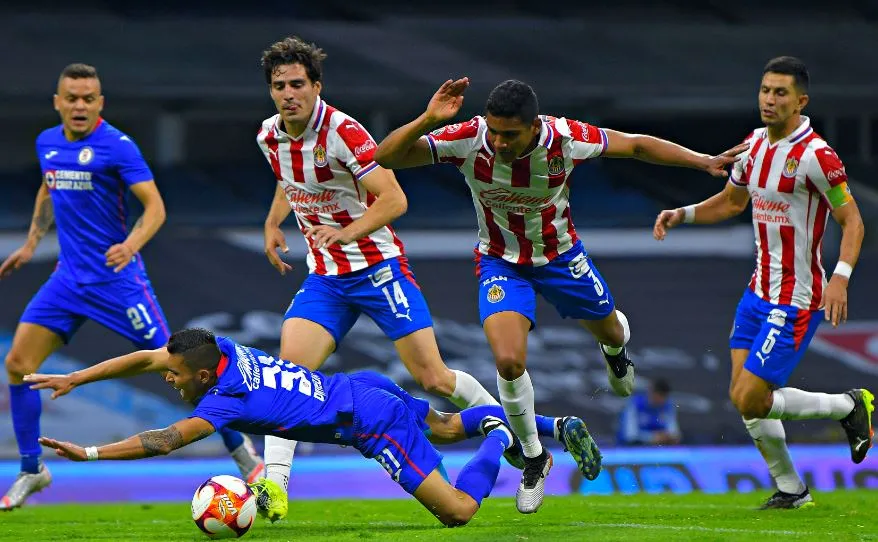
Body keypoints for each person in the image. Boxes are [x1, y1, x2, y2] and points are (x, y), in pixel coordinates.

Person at [373, 77, 746, 513]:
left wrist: (702, 162)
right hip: (500, 261)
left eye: (509, 134)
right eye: (494, 131)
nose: (498, 141)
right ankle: (534, 459)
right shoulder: (469, 138)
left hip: (562, 258)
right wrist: (427, 120)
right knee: (509, 360)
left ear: (534, 127)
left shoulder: (565, 138)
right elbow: (386, 157)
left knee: (610, 326)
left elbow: (637, 145)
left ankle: (615, 348)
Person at [0, 64, 263, 510]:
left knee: (179, 364)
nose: (80, 105)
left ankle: (243, 453)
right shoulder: (48, 143)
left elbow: (155, 207)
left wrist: (130, 244)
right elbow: (48, 192)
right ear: (58, 102)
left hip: (118, 282)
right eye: (72, 97)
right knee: (18, 365)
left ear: (100, 103)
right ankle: (32, 470)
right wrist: (30, 244)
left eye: (88, 98)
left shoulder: (117, 146)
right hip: (67, 280)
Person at [253, 36, 498, 513]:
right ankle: (275, 485)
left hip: (377, 269)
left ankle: (511, 434)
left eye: (298, 84)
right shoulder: (269, 136)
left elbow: (394, 199)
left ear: (316, 86)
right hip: (325, 279)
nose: (289, 93)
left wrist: (347, 233)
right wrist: (271, 223)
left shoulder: (342, 131)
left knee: (434, 378)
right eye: (280, 85)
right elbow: (290, 179)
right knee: (286, 377)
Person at [25, 328, 602, 526]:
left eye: (178, 378)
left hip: (366, 421)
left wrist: (93, 454)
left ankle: (505, 439)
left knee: (456, 512)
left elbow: (164, 441)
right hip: (363, 385)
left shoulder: (223, 399)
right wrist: (77, 377)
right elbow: (149, 357)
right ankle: (546, 424)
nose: (169, 381)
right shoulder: (218, 351)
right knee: (449, 429)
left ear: (202, 374)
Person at [653, 56, 873, 509]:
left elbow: (852, 221)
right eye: (765, 90)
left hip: (797, 297)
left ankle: (850, 406)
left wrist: (841, 279)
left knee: (750, 398)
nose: (769, 100)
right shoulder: (752, 145)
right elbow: (731, 203)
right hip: (756, 292)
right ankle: (792, 489)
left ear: (800, 102)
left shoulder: (817, 156)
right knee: (745, 400)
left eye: (780, 93)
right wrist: (684, 213)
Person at [616, 378, 681, 446]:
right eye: (659, 395)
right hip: (631, 450)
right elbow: (630, 435)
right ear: (651, 391)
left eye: (664, 396)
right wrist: (652, 437)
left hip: (658, 450)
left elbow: (674, 433)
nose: (661, 400)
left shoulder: (667, 406)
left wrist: (669, 437)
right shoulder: (634, 404)